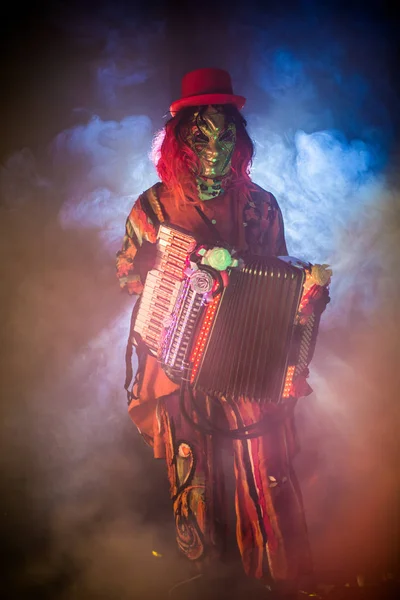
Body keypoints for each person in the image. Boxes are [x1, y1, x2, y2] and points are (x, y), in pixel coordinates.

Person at [116, 68, 328, 595]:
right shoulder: (152, 207)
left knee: (265, 464)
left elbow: (280, 275)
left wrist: (307, 297)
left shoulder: (261, 205)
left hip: (249, 361)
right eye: (201, 133)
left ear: (240, 137)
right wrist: (178, 269)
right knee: (192, 470)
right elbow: (127, 275)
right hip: (176, 359)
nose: (214, 147)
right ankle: (207, 575)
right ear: (180, 137)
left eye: (225, 132)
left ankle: (280, 573)